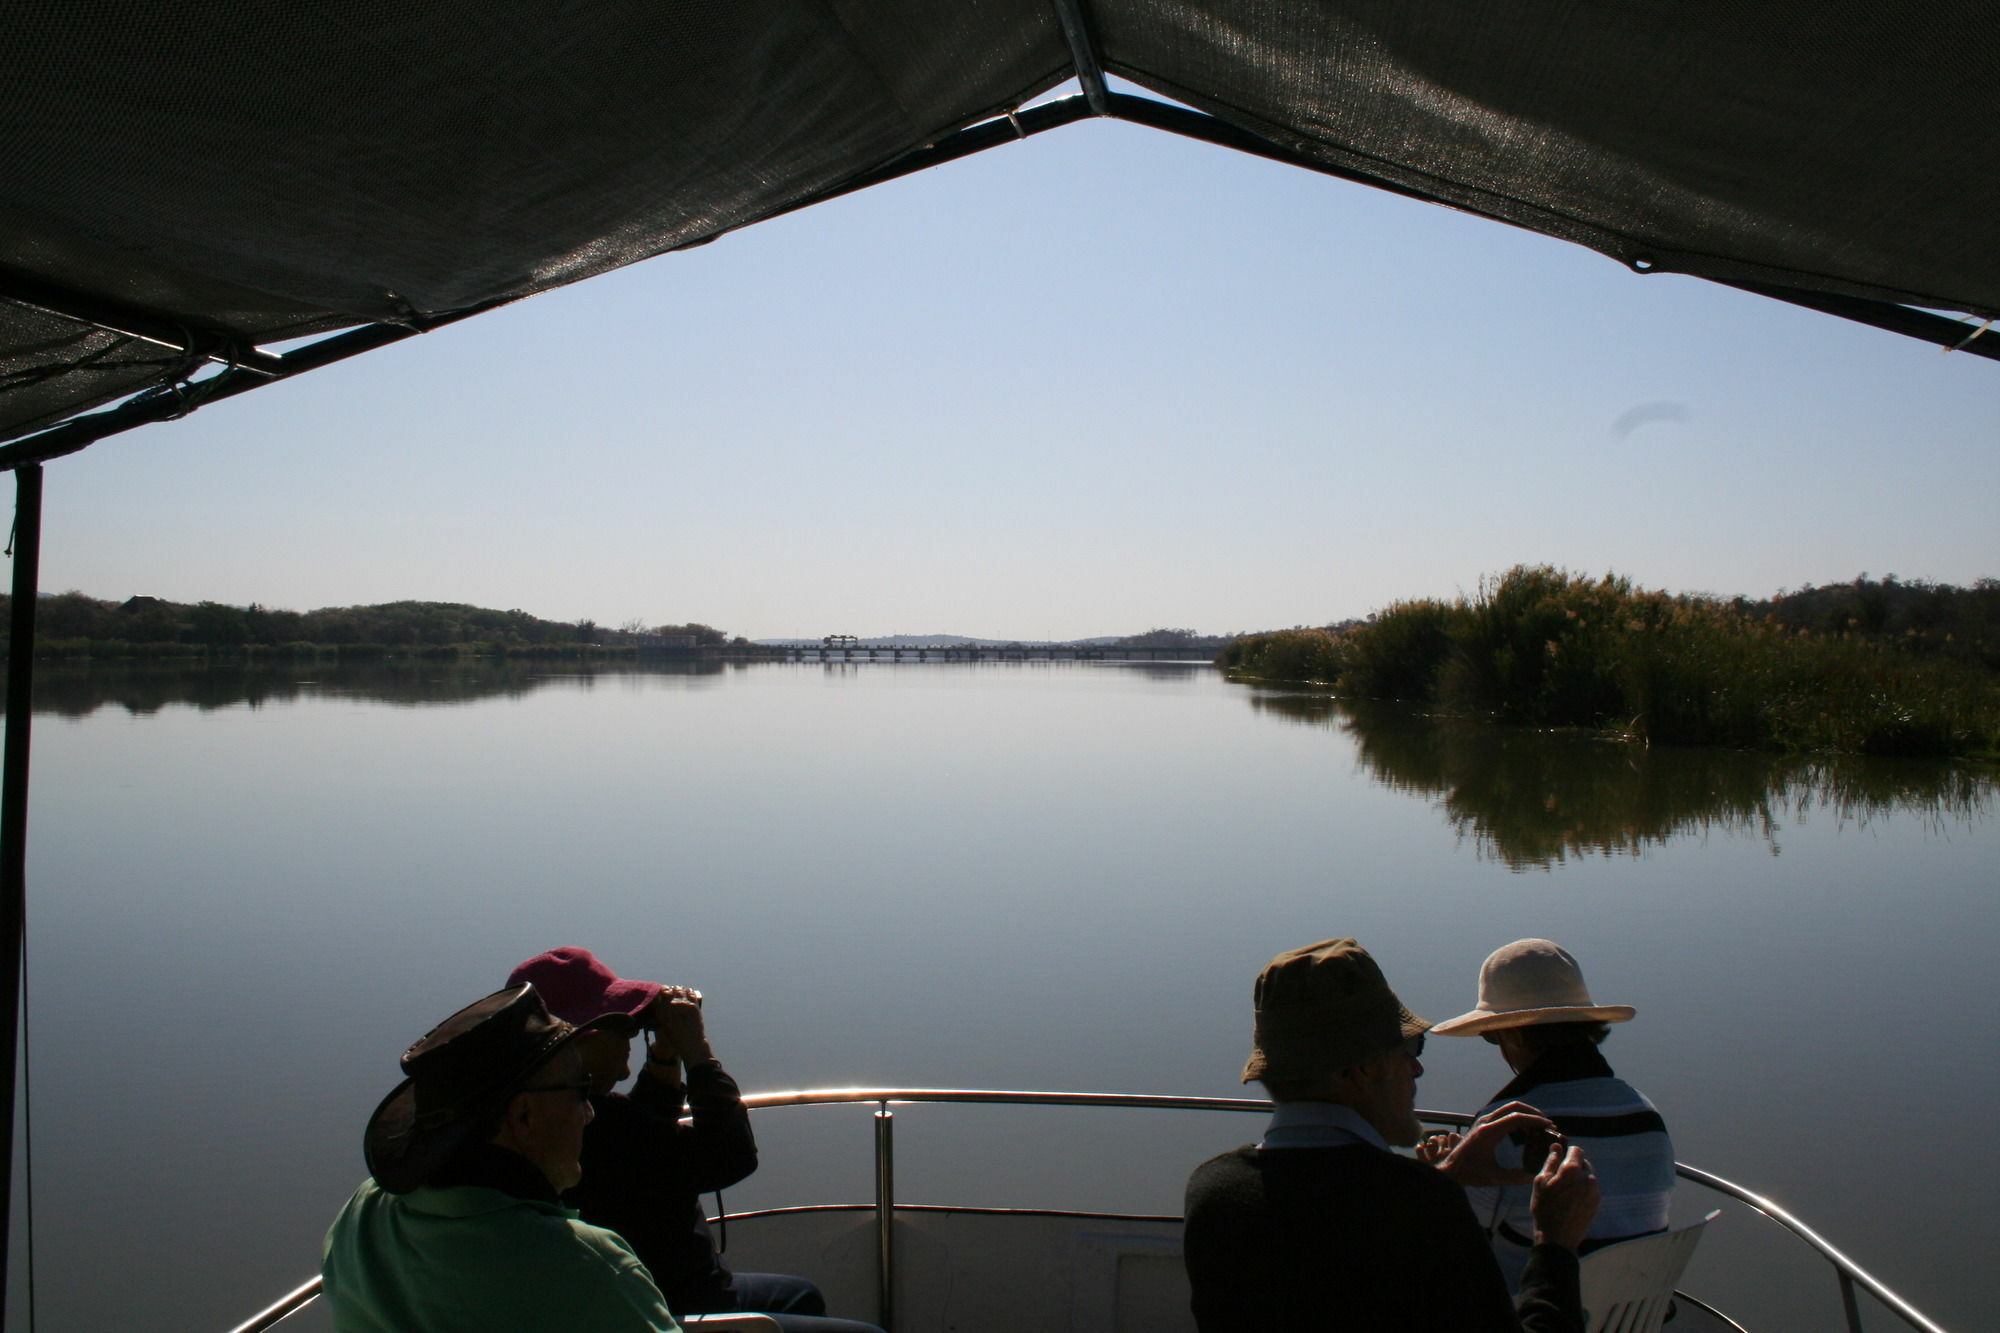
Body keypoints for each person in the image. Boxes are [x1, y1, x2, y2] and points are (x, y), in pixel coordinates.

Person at [1183, 937, 1600, 1332]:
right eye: (1410, 1050)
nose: (1416, 1069)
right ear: (1362, 1069)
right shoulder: (1422, 1206)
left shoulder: (1211, 1192)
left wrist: (1445, 1179)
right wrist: (1553, 1244)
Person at [508, 947, 880, 1333]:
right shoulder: (592, 1125)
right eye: (623, 1027)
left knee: (802, 1295)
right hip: (669, 1304)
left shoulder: (558, 1116)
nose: (632, 1036)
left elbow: (643, 1135)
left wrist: (665, 1056)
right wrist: (698, 1053)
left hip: (654, 1286)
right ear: (582, 1041)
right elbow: (727, 1156)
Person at [322, 984, 680, 1332]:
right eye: (580, 1090)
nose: (589, 1113)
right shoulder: (588, 1265)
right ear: (524, 1115)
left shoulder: (362, 1213)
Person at [1431, 938, 1676, 1287]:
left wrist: (1441, 1177)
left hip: (1530, 1315)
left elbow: (1455, 1243)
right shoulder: (1646, 1116)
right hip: (1627, 1317)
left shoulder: (1504, 1125)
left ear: (1512, 1034)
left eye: (1492, 1037)